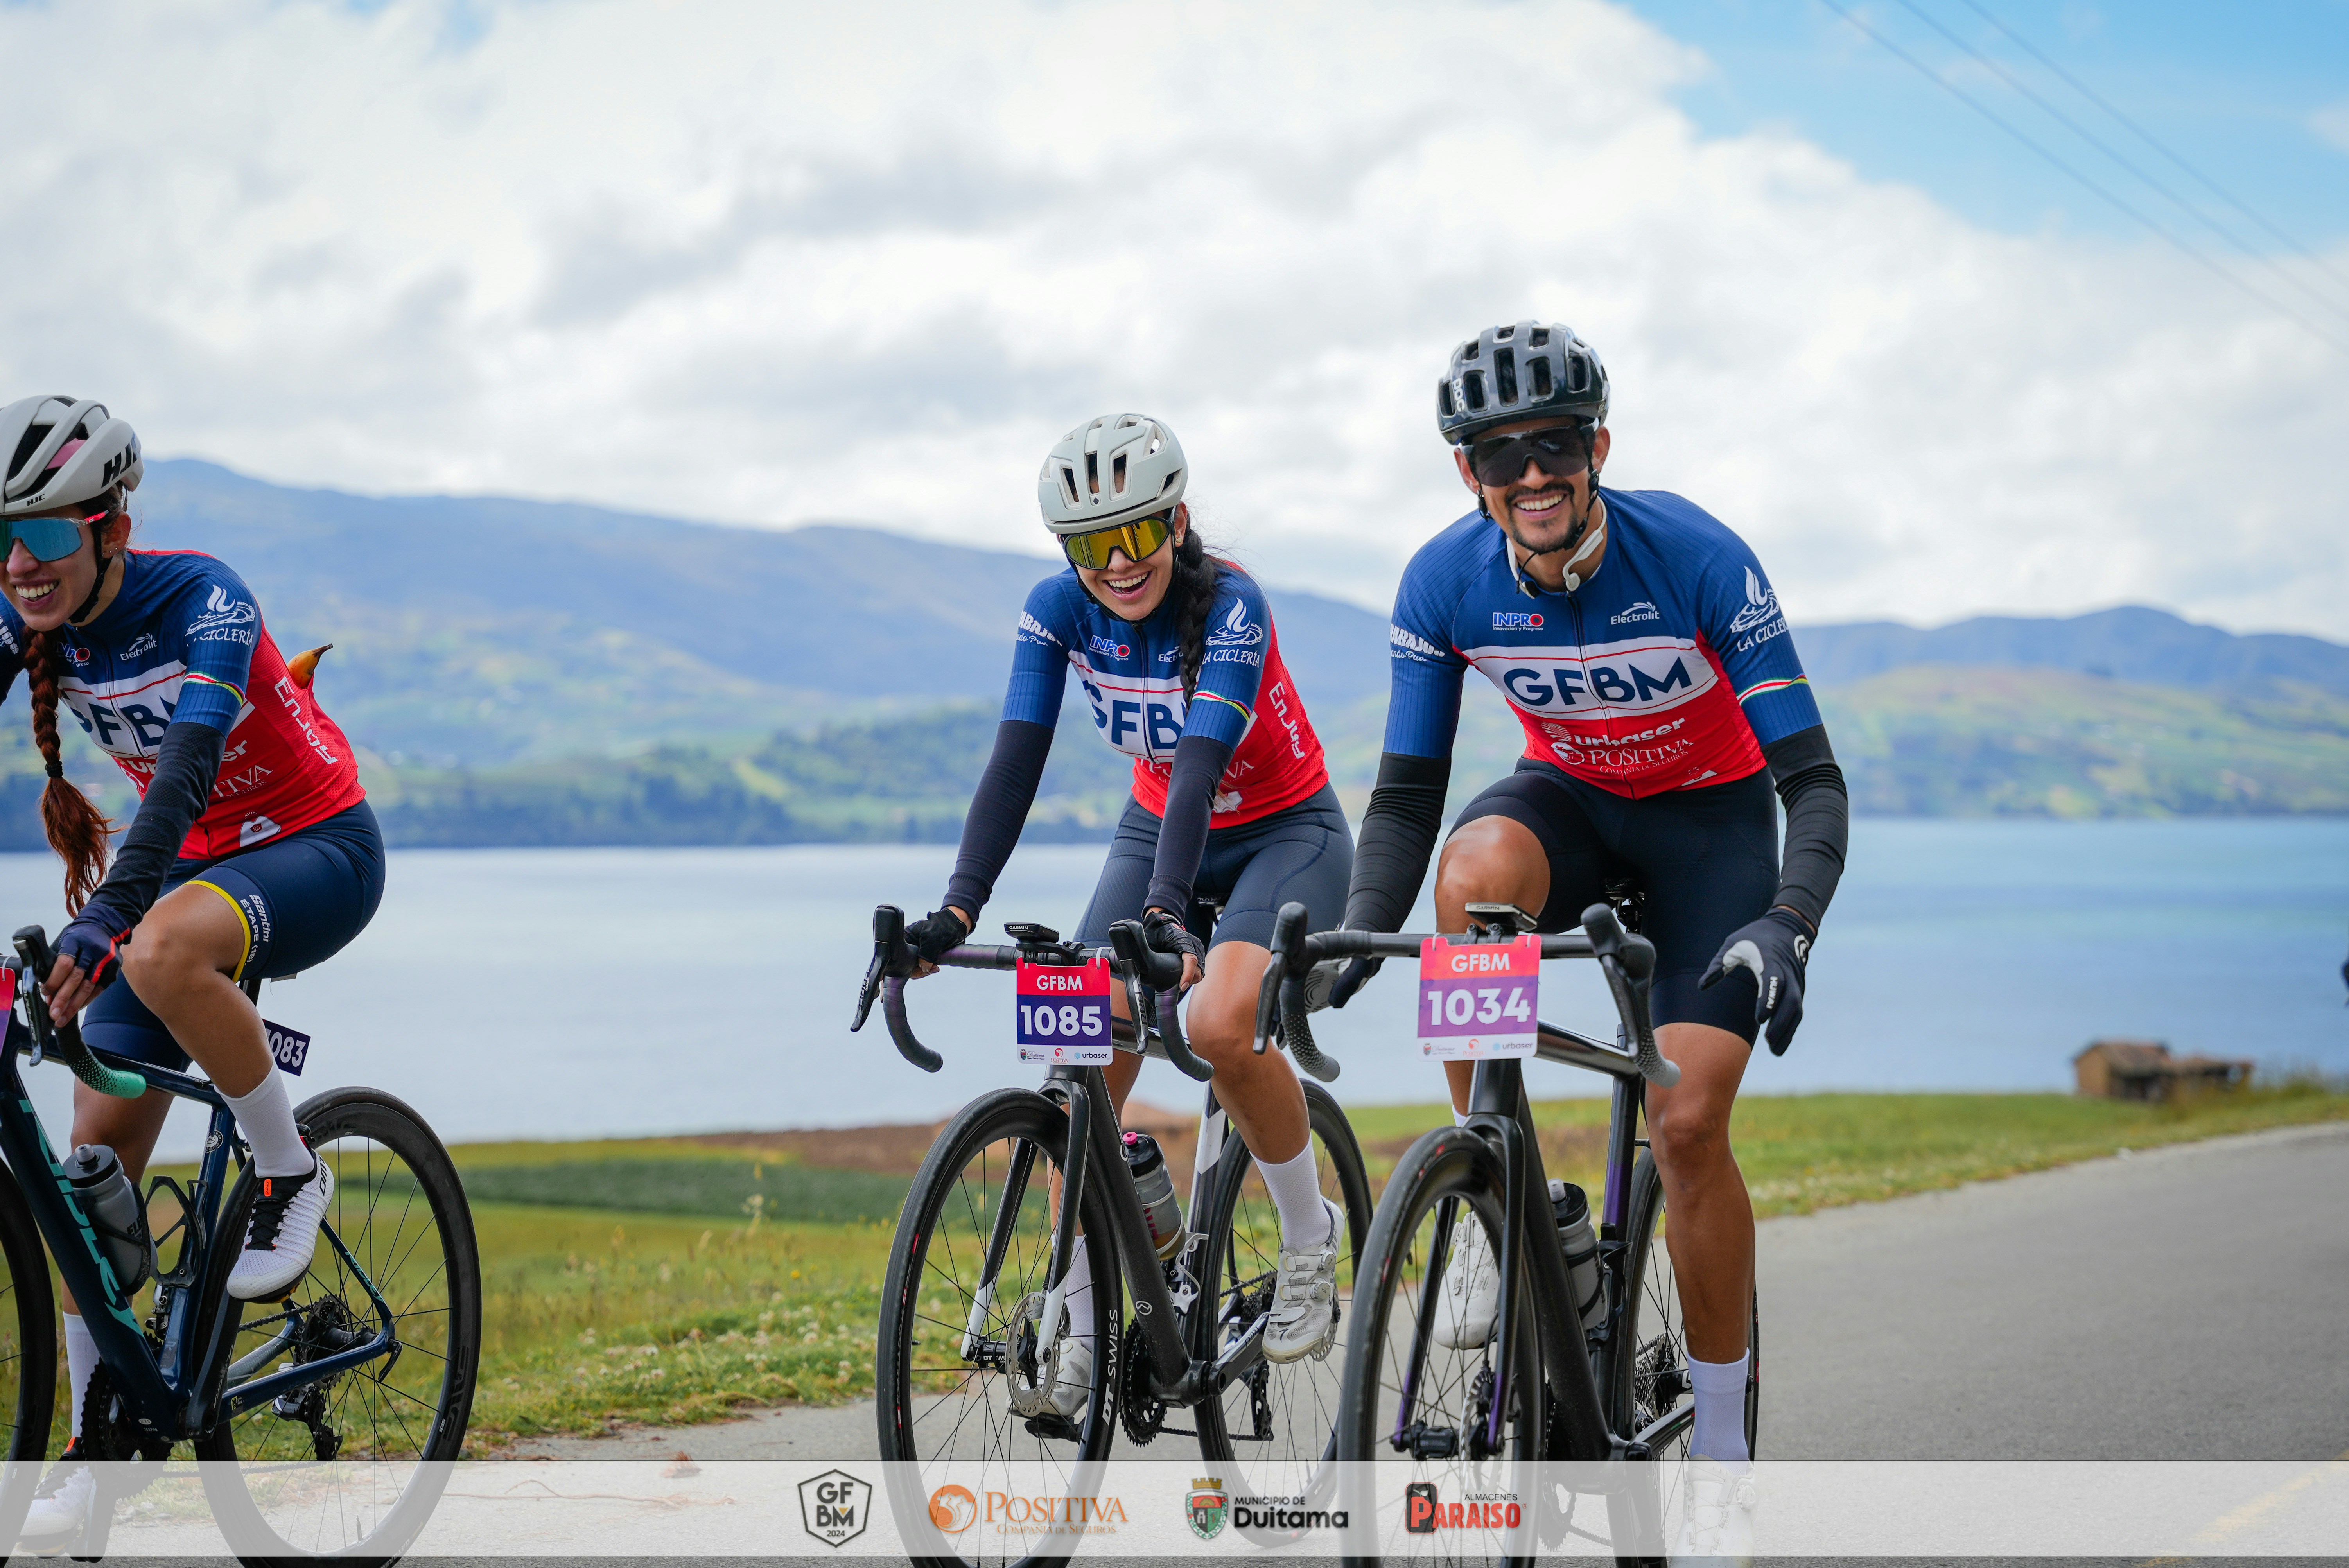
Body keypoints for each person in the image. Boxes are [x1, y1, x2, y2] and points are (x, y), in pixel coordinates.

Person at [1327, 325, 1848, 1561]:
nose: (1532, 474)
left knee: (1686, 1125)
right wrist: (1360, 927)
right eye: (1499, 456)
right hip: (1570, 812)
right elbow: (1407, 803)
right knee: (1474, 876)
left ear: (1598, 447)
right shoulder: (1445, 581)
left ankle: (1719, 1442)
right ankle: (1502, 1198)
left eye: (1555, 445)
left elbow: (1814, 785)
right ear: (1470, 475)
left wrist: (1790, 923)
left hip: (1712, 836)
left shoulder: (1702, 558)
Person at [901, 413, 1354, 1405]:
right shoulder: (1054, 610)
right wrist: (955, 909)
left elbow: (1198, 768)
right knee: (1078, 1050)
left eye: (1135, 536)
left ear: (1177, 523)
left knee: (1222, 1023)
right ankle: (1081, 1320)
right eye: (1087, 547)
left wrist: (1166, 920)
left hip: (1286, 832)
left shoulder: (1233, 605)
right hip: (1155, 833)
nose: (1115, 564)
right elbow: (1015, 757)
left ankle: (1310, 1238)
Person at [0, 396, 384, 1546]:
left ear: (114, 526)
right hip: (187, 876)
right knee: (83, 1176)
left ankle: (288, 1168)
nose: (25, 563)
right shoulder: (23, 615)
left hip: (315, 849)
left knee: (161, 947)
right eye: (4, 537)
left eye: (53, 535)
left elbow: (179, 783)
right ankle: (94, 1457)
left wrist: (106, 919)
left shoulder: (206, 597)